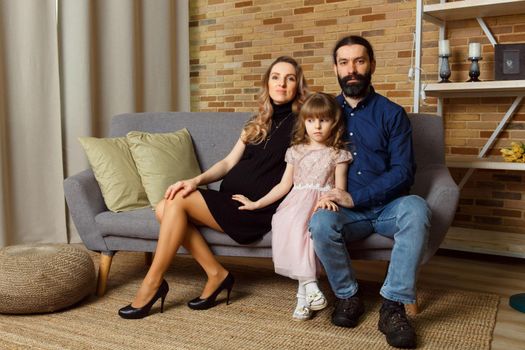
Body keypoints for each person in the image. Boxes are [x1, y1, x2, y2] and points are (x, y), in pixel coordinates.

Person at [118, 56, 309, 319]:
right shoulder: (257, 122)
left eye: (289, 79)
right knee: (164, 207)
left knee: (174, 202)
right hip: (229, 200)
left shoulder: (304, 124)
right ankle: (216, 274)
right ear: (267, 83)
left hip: (255, 209)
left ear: (298, 85)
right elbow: (228, 162)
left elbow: (293, 177)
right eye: (276, 77)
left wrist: (259, 202)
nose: (282, 84)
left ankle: (153, 283)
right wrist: (196, 180)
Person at [308, 35, 431, 349]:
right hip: (346, 214)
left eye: (359, 61)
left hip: (389, 208)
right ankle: (348, 297)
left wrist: (356, 197)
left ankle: (393, 306)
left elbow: (404, 171)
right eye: (344, 62)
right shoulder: (324, 114)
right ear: (336, 68)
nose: (352, 69)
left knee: (416, 209)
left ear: (371, 65)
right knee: (320, 224)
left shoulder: (392, 113)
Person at [232, 92, 352, 321]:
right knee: (286, 221)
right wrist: (256, 203)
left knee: (308, 229)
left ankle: (303, 295)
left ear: (334, 122)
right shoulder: (295, 151)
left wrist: (329, 198)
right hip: (295, 201)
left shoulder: (338, 154)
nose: (316, 126)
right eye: (310, 120)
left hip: (321, 202)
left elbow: (341, 189)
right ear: (303, 122)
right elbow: (283, 185)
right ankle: (310, 287)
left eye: (323, 120)